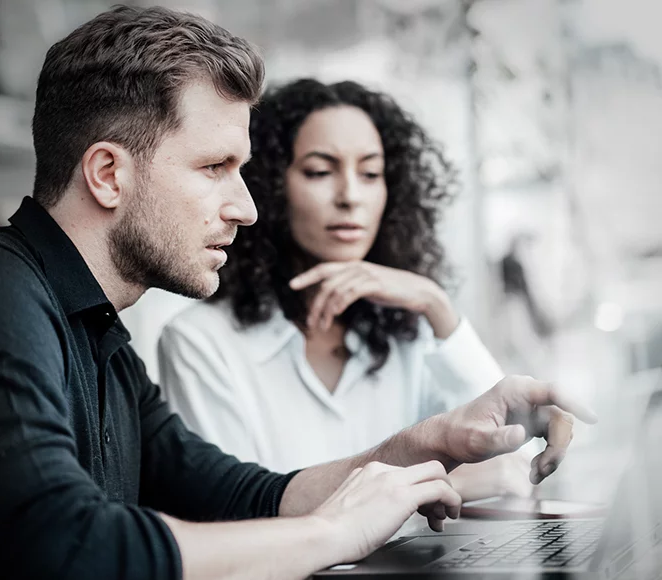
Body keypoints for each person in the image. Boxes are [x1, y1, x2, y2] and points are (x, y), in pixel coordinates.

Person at [0, 5, 595, 580]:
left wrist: (430, 444)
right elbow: (73, 561)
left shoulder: (97, 332)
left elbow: (239, 496)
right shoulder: (4, 293)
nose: (246, 207)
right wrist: (332, 532)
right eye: (214, 166)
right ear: (108, 174)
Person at [158, 78, 532, 502]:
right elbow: (240, 516)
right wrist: (450, 486)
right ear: (269, 184)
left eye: (371, 173)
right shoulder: (200, 342)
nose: (351, 196)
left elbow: (513, 460)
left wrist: (436, 304)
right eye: (320, 172)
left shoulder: (411, 331)